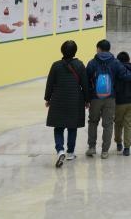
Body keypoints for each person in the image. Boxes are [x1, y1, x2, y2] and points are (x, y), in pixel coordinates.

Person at [85, 39, 131, 159]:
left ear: (99, 49)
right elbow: (126, 76)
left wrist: (87, 97)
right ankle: (105, 151)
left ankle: (92, 147)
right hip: (110, 98)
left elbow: (86, 80)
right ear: (109, 49)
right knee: (108, 124)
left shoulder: (92, 63)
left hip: (95, 98)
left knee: (93, 122)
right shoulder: (115, 63)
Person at [44, 40, 90, 168]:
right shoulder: (80, 65)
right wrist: (87, 100)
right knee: (72, 126)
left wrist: (47, 98)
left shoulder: (56, 66)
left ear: (62, 51)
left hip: (58, 99)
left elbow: (50, 83)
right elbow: (85, 84)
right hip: (75, 100)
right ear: (75, 51)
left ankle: (60, 150)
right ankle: (70, 152)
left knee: (58, 127)